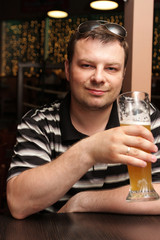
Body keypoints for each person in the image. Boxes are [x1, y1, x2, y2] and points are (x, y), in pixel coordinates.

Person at [7, 20, 160, 219]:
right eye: (87, 65)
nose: (98, 77)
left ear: (123, 74)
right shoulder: (39, 123)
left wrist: (83, 201)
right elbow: (18, 204)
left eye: (111, 68)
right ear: (68, 70)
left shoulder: (144, 117)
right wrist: (90, 151)